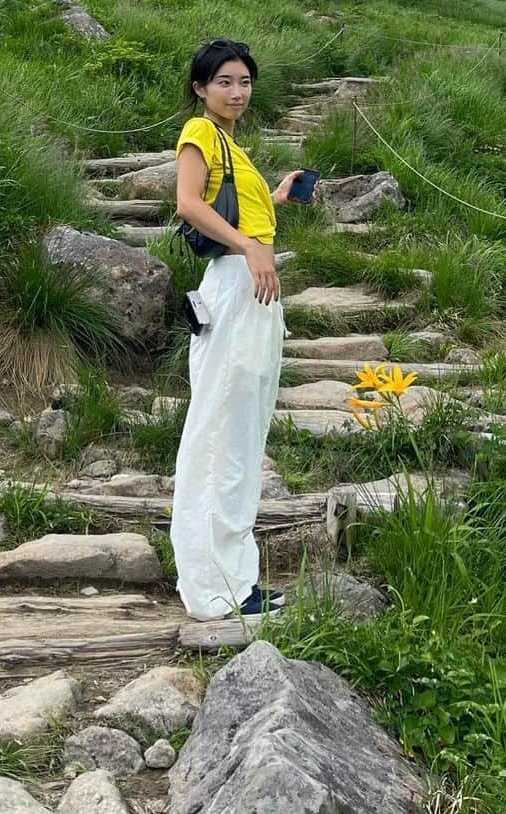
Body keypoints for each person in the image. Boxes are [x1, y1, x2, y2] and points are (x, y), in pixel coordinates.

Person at [169, 38, 310, 620]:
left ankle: (235, 576)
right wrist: (250, 247)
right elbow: (187, 204)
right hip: (234, 283)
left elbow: (229, 207)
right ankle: (212, 587)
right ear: (201, 88)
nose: (237, 92)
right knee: (222, 431)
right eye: (224, 81)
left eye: (245, 82)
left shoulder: (232, 147)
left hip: (250, 288)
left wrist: (275, 198)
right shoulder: (199, 134)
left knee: (242, 433)